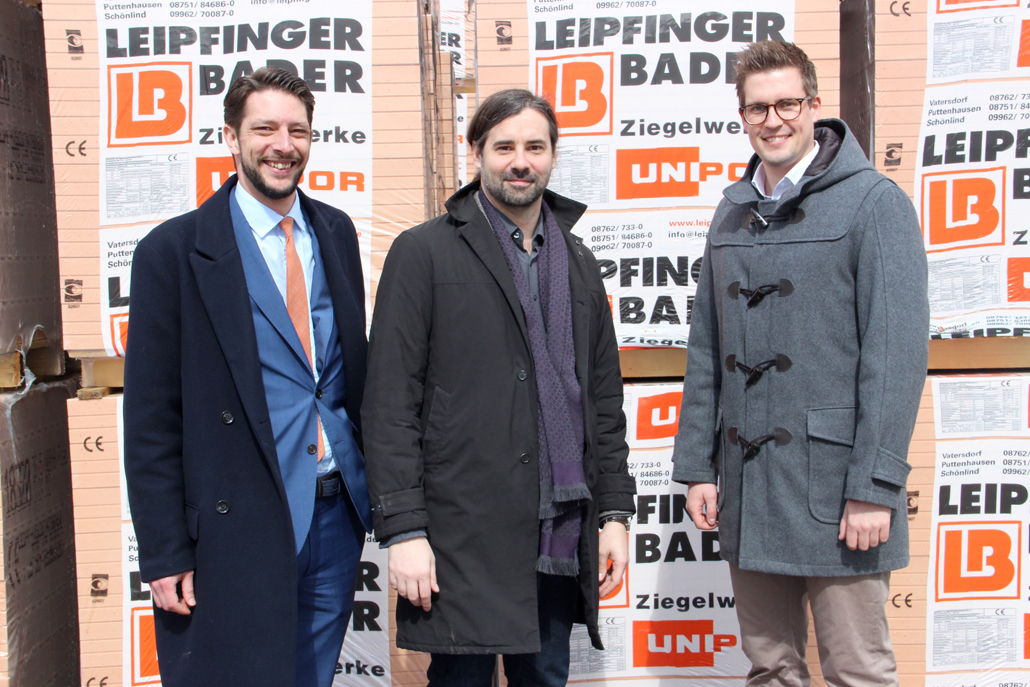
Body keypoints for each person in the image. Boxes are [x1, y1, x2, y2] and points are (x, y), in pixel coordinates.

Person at [673, 41, 928, 686]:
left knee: (857, 670)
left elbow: (896, 357)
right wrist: (699, 467)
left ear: (815, 105)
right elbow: (707, 348)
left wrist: (875, 487)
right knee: (770, 667)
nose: (773, 120)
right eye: (757, 108)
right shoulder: (731, 210)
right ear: (742, 116)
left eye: (787, 103)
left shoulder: (874, 203)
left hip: (838, 491)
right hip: (750, 488)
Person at [361, 88, 636, 687]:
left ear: (553, 155)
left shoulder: (581, 262)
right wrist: (404, 531)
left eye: (535, 147)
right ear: (476, 152)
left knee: (545, 679)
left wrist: (614, 513)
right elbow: (388, 406)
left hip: (557, 533)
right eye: (504, 146)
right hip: (461, 535)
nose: (521, 161)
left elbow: (603, 402)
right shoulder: (424, 253)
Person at [123, 67, 372, 687]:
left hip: (334, 515)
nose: (282, 144)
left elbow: (341, 375)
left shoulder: (336, 232)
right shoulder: (172, 252)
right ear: (231, 137)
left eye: (297, 130)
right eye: (264, 128)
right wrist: (163, 550)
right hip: (236, 526)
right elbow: (151, 418)